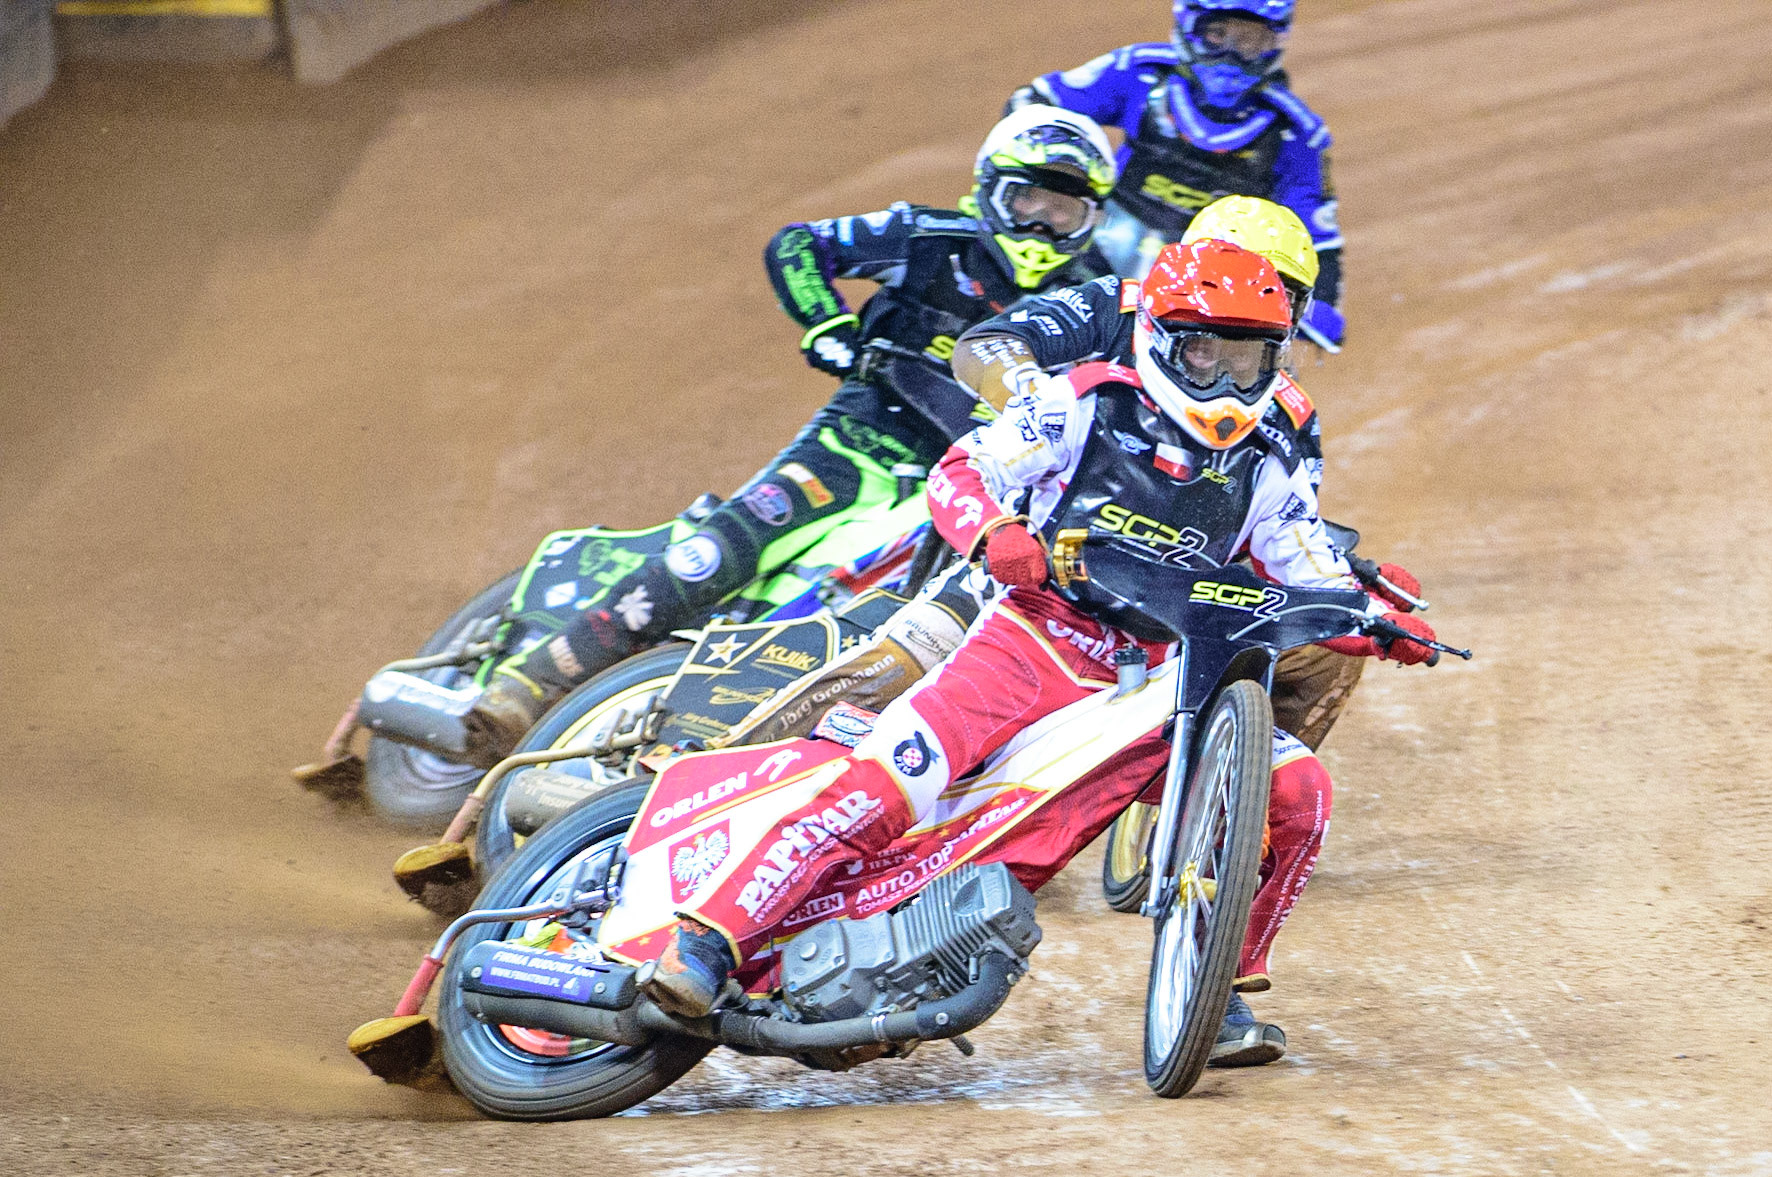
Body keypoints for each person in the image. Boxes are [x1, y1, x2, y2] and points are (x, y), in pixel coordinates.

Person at [647, 240, 1439, 1069]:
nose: (1226, 374)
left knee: (1299, 789)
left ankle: (1220, 985)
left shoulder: (1273, 445)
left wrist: (1377, 616)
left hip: (1158, 674)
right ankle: (709, 938)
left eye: (1248, 354)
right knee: (884, 787)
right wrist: (996, 530)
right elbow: (963, 469)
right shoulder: (1083, 399)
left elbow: (1303, 557)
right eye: (1206, 349)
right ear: (1164, 339)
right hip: (1029, 638)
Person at [460, 106, 1120, 767]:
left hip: (973, 485)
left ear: (1093, 218)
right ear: (987, 191)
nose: (1039, 221)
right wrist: (826, 324)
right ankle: (534, 678)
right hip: (860, 441)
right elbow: (799, 245)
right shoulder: (928, 237)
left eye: (1062, 210)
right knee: (719, 554)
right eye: (1026, 197)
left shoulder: (1091, 300)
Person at [950, 194, 1423, 751]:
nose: (1247, 296)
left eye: (1277, 289)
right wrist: (1035, 410)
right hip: (1036, 541)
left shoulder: (1287, 411)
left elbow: (1278, 534)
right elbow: (989, 343)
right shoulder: (1117, 306)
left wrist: (1346, 586)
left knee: (1322, 655)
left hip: (1174, 591)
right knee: (913, 654)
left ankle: (1235, 809)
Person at [1006, 0, 1347, 352]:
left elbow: (1316, 234)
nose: (1229, 56)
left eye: (1248, 41)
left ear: (1275, 42)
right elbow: (1034, 102)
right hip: (1097, 253)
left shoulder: (1295, 134)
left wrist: (1319, 307)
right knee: (1020, 321)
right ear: (1188, 27)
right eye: (1216, 34)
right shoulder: (1141, 73)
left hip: (1205, 292)